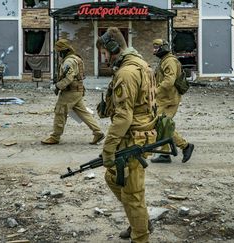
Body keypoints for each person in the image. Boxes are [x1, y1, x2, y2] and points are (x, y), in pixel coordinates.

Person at [96, 27, 156, 243]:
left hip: (132, 138)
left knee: (133, 195)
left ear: (113, 48)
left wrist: (108, 149)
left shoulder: (127, 72)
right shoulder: (140, 65)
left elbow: (124, 118)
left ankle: (140, 236)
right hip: (140, 134)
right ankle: (138, 220)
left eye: (104, 52)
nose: (102, 57)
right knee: (113, 177)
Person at [41, 39, 105, 145]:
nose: (59, 54)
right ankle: (98, 132)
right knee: (83, 112)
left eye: (59, 51)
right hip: (77, 91)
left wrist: (58, 86)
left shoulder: (68, 61)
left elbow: (69, 78)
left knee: (60, 111)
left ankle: (55, 137)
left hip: (70, 92)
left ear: (64, 50)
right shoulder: (76, 58)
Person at [151, 38, 194, 163]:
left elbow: (168, 82)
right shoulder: (164, 61)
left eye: (156, 47)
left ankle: (185, 146)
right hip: (164, 99)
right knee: (161, 125)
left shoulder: (169, 61)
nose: (154, 50)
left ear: (163, 47)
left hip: (169, 100)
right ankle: (165, 154)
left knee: (161, 124)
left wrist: (155, 92)